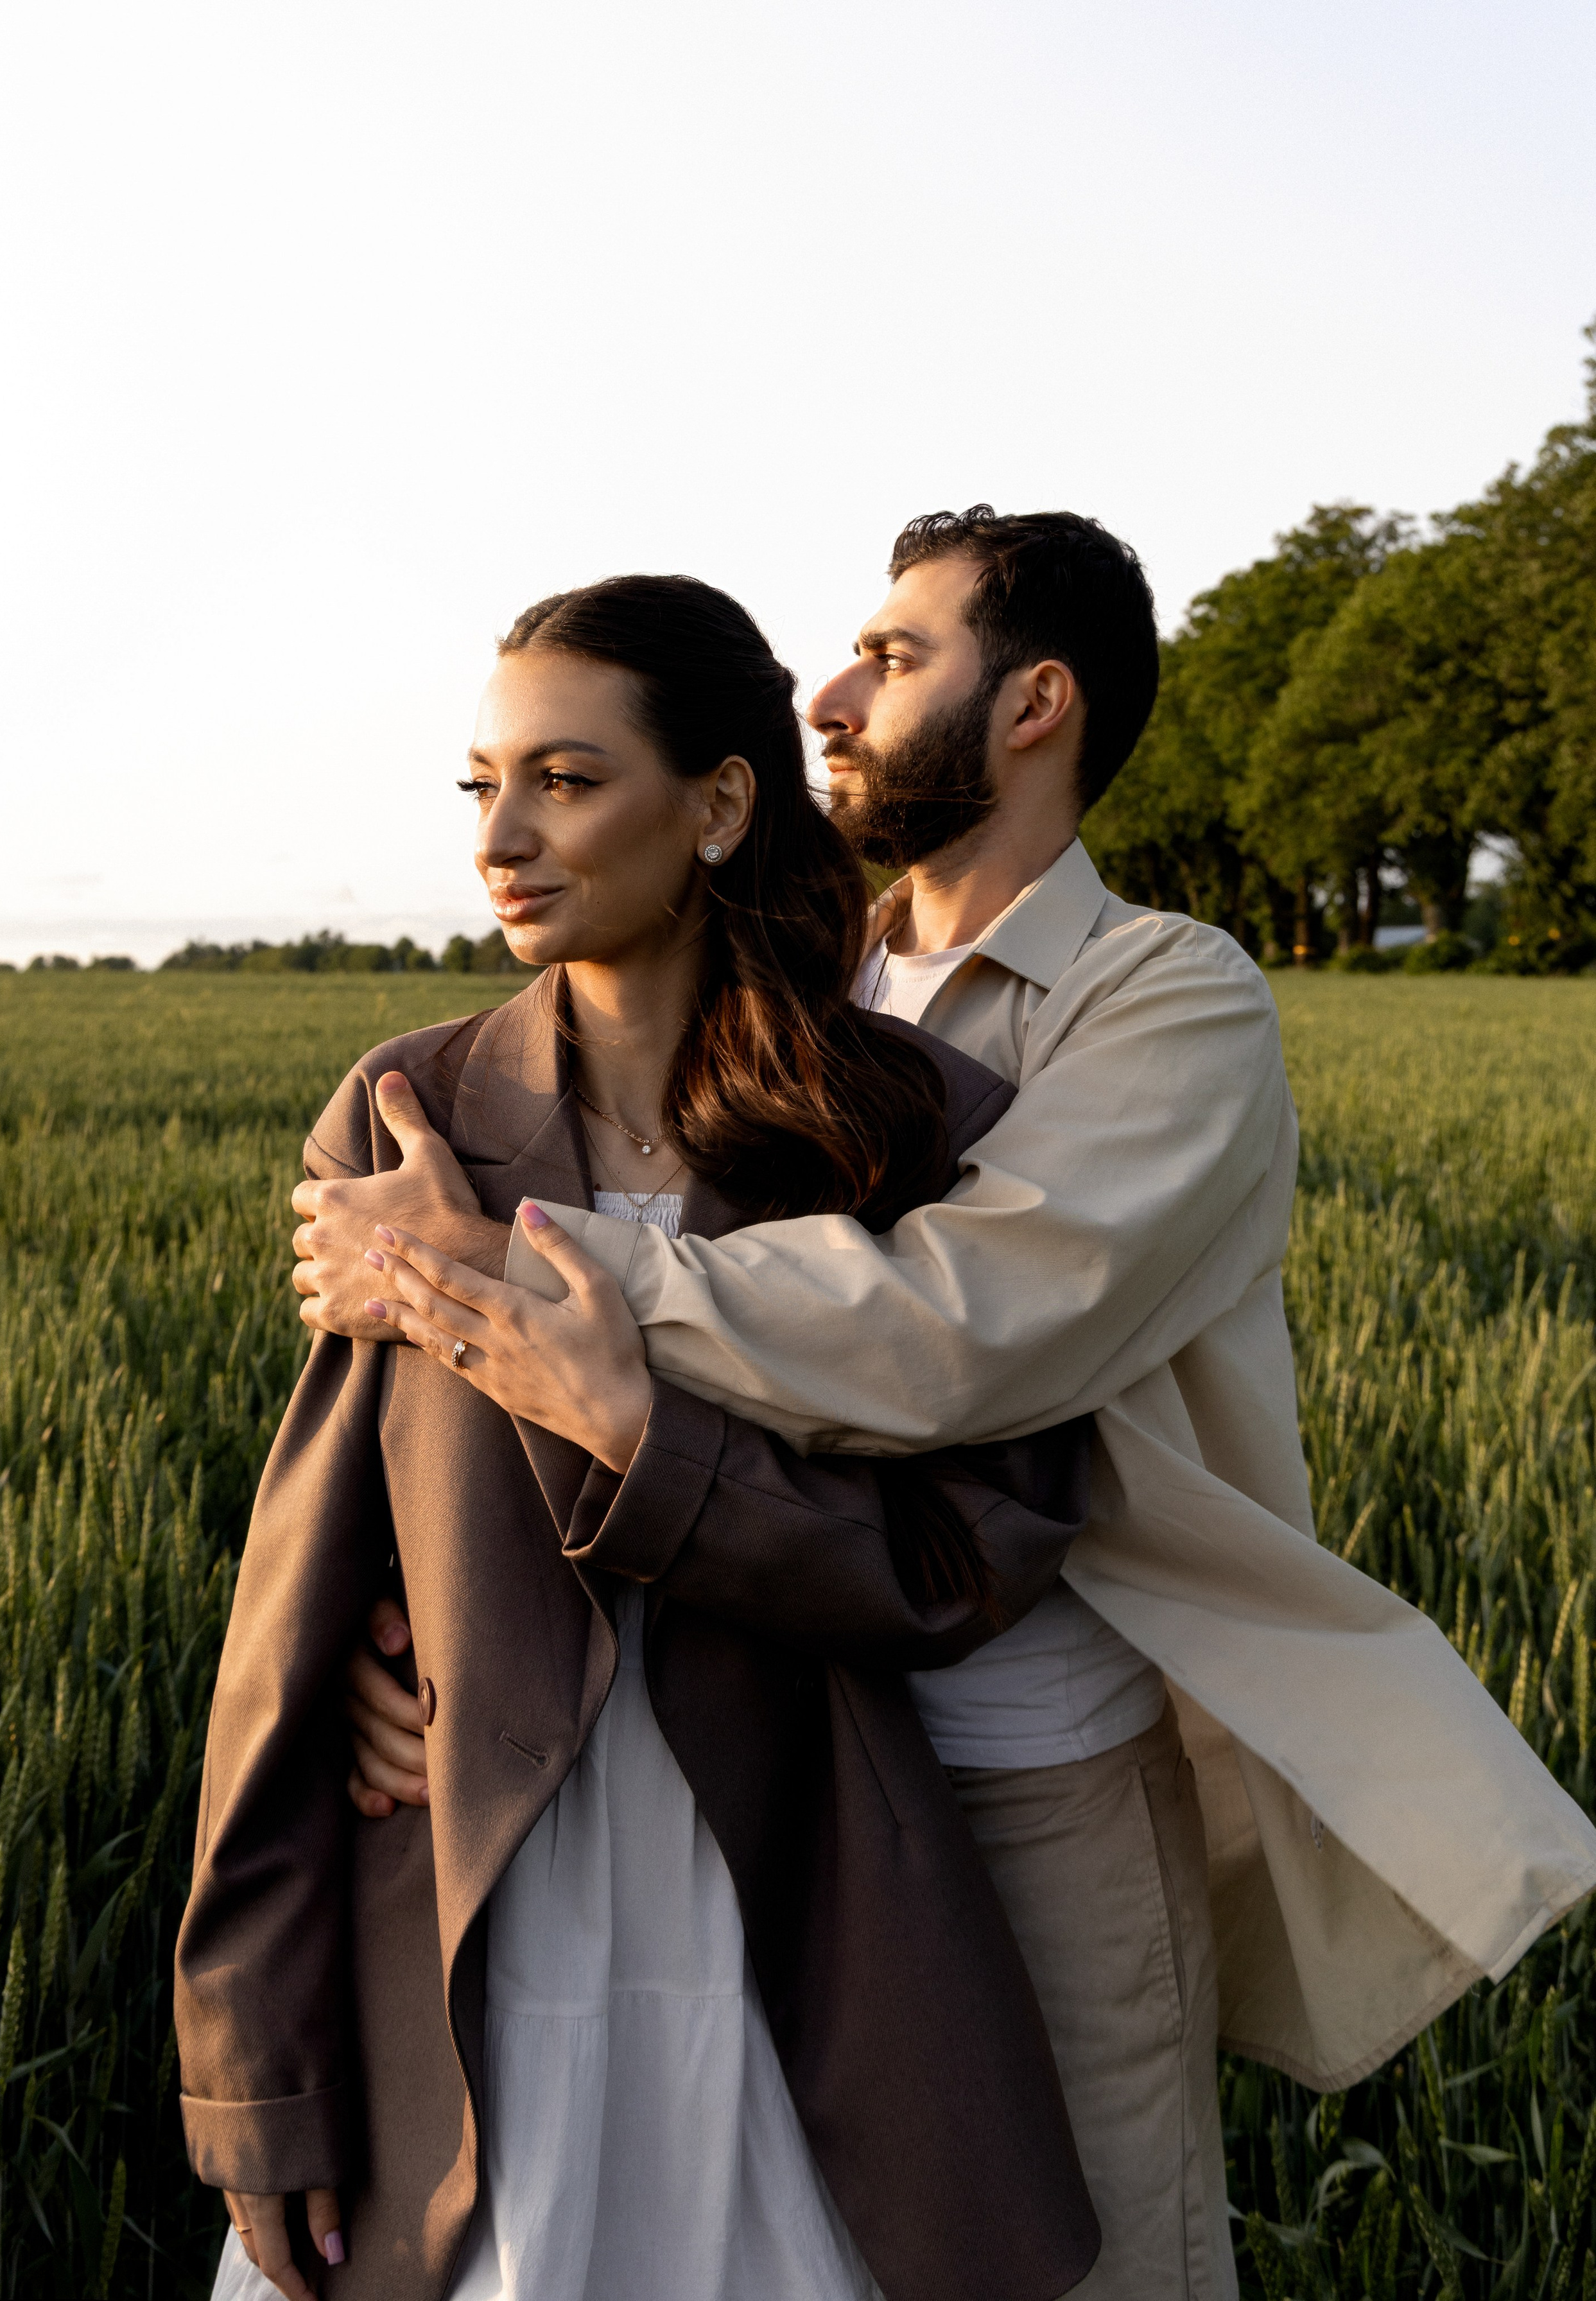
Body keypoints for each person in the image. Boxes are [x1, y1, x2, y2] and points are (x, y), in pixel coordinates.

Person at [314, 508, 1596, 2301]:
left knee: (1094, 2260)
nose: (829, 699)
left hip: (1028, 1760)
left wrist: (524, 1275)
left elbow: (966, 1328)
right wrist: (424, 1654)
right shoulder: (799, 992)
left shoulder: (1168, 996)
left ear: (1034, 704)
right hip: (783, 1752)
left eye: (895, 657)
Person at [174, 574, 1104, 2301]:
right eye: (484, 784)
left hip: (796, 1920)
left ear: (721, 801)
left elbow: (965, 1563)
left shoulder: (904, 1130)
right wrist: (253, 2074)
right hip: (455, 1914)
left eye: (568, 780)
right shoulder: (408, 1118)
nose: (501, 839)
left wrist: (648, 1452)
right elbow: (292, 1614)